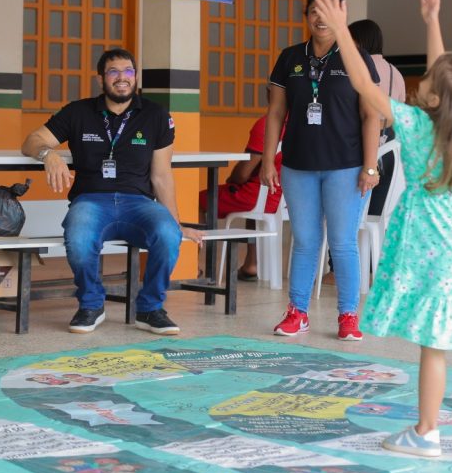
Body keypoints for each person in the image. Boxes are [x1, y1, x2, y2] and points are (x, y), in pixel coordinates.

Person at [320, 0, 452, 459]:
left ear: (434, 101)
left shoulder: (415, 127)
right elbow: (447, 78)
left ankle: (426, 432)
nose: (420, 82)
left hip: (438, 246)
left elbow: (364, 86)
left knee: (434, 346)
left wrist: (342, 31)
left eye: (427, 83)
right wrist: (432, 21)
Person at [21, 48, 202, 335]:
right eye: (113, 72)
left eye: (128, 71)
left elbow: (162, 176)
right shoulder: (78, 112)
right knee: (79, 237)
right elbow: (32, 140)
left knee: (168, 234)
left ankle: (150, 309)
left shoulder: (156, 115)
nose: (122, 78)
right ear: (100, 79)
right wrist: (48, 154)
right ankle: (92, 305)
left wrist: (175, 222)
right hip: (91, 201)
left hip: (139, 203)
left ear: (136, 76)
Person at [261, 0, 381, 342]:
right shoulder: (290, 57)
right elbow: (275, 113)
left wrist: (370, 166)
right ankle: (297, 313)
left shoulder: (357, 58)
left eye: (327, 10)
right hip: (297, 165)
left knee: (342, 243)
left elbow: (371, 115)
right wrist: (268, 159)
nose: (319, 17)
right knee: (304, 241)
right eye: (313, 10)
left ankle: (348, 315)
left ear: (341, 15)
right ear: (306, 16)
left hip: (346, 166)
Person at [198, 112, 285, 281]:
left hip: (258, 196)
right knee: (257, 201)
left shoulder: (267, 124)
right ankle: (251, 264)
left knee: (196, 201)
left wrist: (232, 179)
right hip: (284, 199)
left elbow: (243, 174)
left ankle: (191, 266)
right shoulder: (302, 121)